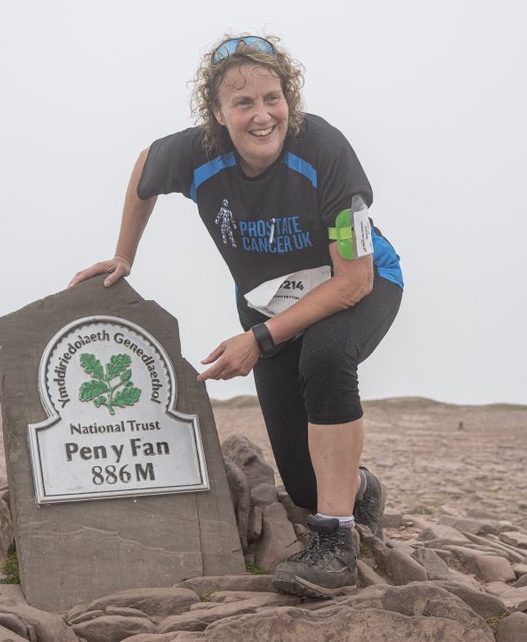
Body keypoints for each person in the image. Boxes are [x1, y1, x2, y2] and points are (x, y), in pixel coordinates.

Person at [70, 34, 403, 598]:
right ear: (219, 114)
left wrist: (259, 340)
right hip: (268, 304)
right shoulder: (195, 154)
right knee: (303, 485)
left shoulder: (326, 151)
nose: (262, 115)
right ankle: (360, 491)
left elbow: (354, 281)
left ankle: (336, 542)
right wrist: (125, 253)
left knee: (324, 359)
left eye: (273, 99)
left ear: (289, 102)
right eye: (243, 104)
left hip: (361, 287)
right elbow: (144, 170)